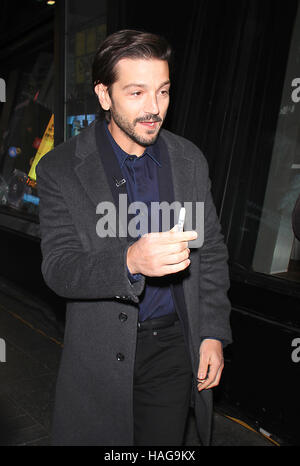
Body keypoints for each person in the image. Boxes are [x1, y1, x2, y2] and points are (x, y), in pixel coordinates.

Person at [36, 29, 232, 446]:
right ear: (104, 96)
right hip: (101, 351)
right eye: (137, 93)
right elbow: (58, 267)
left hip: (173, 346)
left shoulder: (188, 160)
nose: (154, 109)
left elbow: (210, 250)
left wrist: (212, 332)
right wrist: (129, 262)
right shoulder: (61, 168)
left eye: (162, 92)